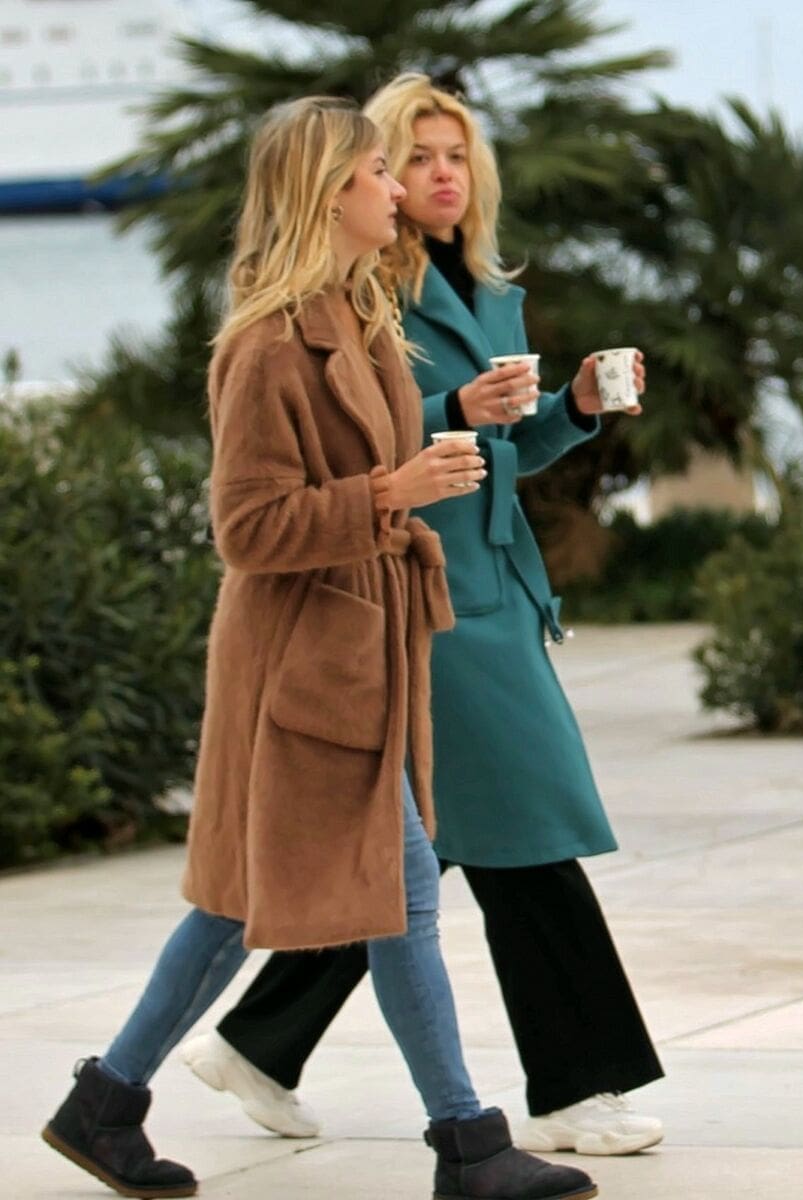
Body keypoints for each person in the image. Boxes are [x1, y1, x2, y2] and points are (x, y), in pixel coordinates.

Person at [40, 96, 599, 1200]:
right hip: (307, 663)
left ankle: (103, 1104)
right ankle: (467, 1145)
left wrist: (441, 462)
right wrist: (393, 491)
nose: (397, 189)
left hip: (369, 648)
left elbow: (375, 478)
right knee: (401, 897)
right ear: (327, 192)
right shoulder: (265, 346)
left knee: (239, 905)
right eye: (379, 171)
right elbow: (247, 529)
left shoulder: (362, 322)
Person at [180, 73, 665, 1160]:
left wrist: (571, 409)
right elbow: (358, 438)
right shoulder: (366, 290)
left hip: (495, 583)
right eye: (412, 158)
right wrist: (454, 407)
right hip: (418, 593)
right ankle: (577, 1086)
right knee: (525, 831)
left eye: (455, 156)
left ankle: (259, 1042)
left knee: (424, 840)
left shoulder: (489, 291)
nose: (436, 176)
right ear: (370, 177)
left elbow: (504, 454)